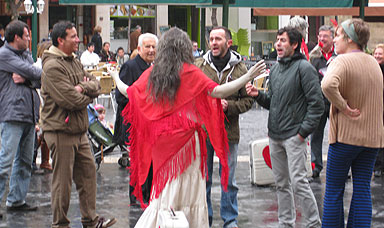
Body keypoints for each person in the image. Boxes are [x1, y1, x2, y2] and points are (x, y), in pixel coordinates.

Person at [108, 27, 265, 228]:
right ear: (185, 49)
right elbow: (218, 91)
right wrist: (247, 77)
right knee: (190, 188)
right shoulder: (190, 72)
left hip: (162, 144)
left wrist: (114, 76)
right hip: (189, 144)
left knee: (165, 190)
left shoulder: (154, 73)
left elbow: (128, 92)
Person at [41, 21, 116, 228]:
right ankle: (60, 224)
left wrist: (82, 88)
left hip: (79, 129)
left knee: (88, 174)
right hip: (60, 130)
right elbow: (70, 100)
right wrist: (88, 95)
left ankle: (90, 220)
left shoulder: (73, 60)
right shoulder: (52, 66)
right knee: (62, 183)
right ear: (60, 40)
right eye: (73, 36)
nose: (78, 40)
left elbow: (96, 83)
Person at [246, 26, 324, 228]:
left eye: (282, 40)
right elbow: (273, 102)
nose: (277, 44)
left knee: (299, 183)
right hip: (275, 135)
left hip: (294, 136)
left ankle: (313, 223)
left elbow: (317, 104)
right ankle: (285, 223)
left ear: (295, 44)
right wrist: (258, 96)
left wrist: (302, 133)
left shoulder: (305, 68)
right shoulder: (278, 69)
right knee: (281, 184)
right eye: (277, 40)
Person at [321, 19, 384, 227]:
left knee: (334, 191)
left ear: (349, 39)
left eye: (338, 35)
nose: (335, 40)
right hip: (372, 138)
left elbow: (328, 84)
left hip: (345, 137)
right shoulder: (373, 63)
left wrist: (343, 106)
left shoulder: (341, 60)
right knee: (362, 189)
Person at [195, 26, 254, 228]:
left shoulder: (240, 69)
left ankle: (230, 220)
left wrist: (230, 107)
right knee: (204, 179)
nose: (213, 43)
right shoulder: (199, 66)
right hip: (204, 132)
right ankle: (205, 218)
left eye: (218, 39)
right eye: (211, 39)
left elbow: (248, 101)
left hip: (229, 133)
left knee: (228, 179)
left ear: (228, 42)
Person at [0, 20, 42, 218]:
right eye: (26, 36)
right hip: (13, 113)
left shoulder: (25, 54)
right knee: (6, 159)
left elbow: (38, 77)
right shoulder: (4, 55)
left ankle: (16, 200)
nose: (29, 39)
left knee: (25, 160)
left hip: (29, 113)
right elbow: (36, 72)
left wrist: (27, 77)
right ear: (16, 37)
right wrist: (32, 75)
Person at [114, 33, 158, 205]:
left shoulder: (156, 67)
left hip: (152, 125)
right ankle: (137, 196)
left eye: (154, 46)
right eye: (147, 46)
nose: (151, 50)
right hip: (135, 125)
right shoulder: (130, 67)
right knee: (138, 162)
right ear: (139, 48)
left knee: (152, 161)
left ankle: (148, 194)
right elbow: (120, 96)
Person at [308, 25, 336, 179]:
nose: (322, 39)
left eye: (325, 36)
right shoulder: (314, 56)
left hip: (335, 100)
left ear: (332, 38)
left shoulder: (339, 55)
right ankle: (316, 166)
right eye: (320, 36)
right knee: (316, 135)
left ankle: (339, 167)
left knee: (338, 134)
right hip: (319, 101)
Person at [32, 41, 53, 173]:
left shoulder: (41, 64)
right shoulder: (39, 66)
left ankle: (44, 161)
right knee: (41, 131)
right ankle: (34, 160)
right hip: (40, 102)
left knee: (45, 131)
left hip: (44, 101)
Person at [373, 44, 384, 177]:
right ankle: (378, 166)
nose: (377, 56)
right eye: (376, 54)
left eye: (380, 54)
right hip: (376, 107)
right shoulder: (372, 68)